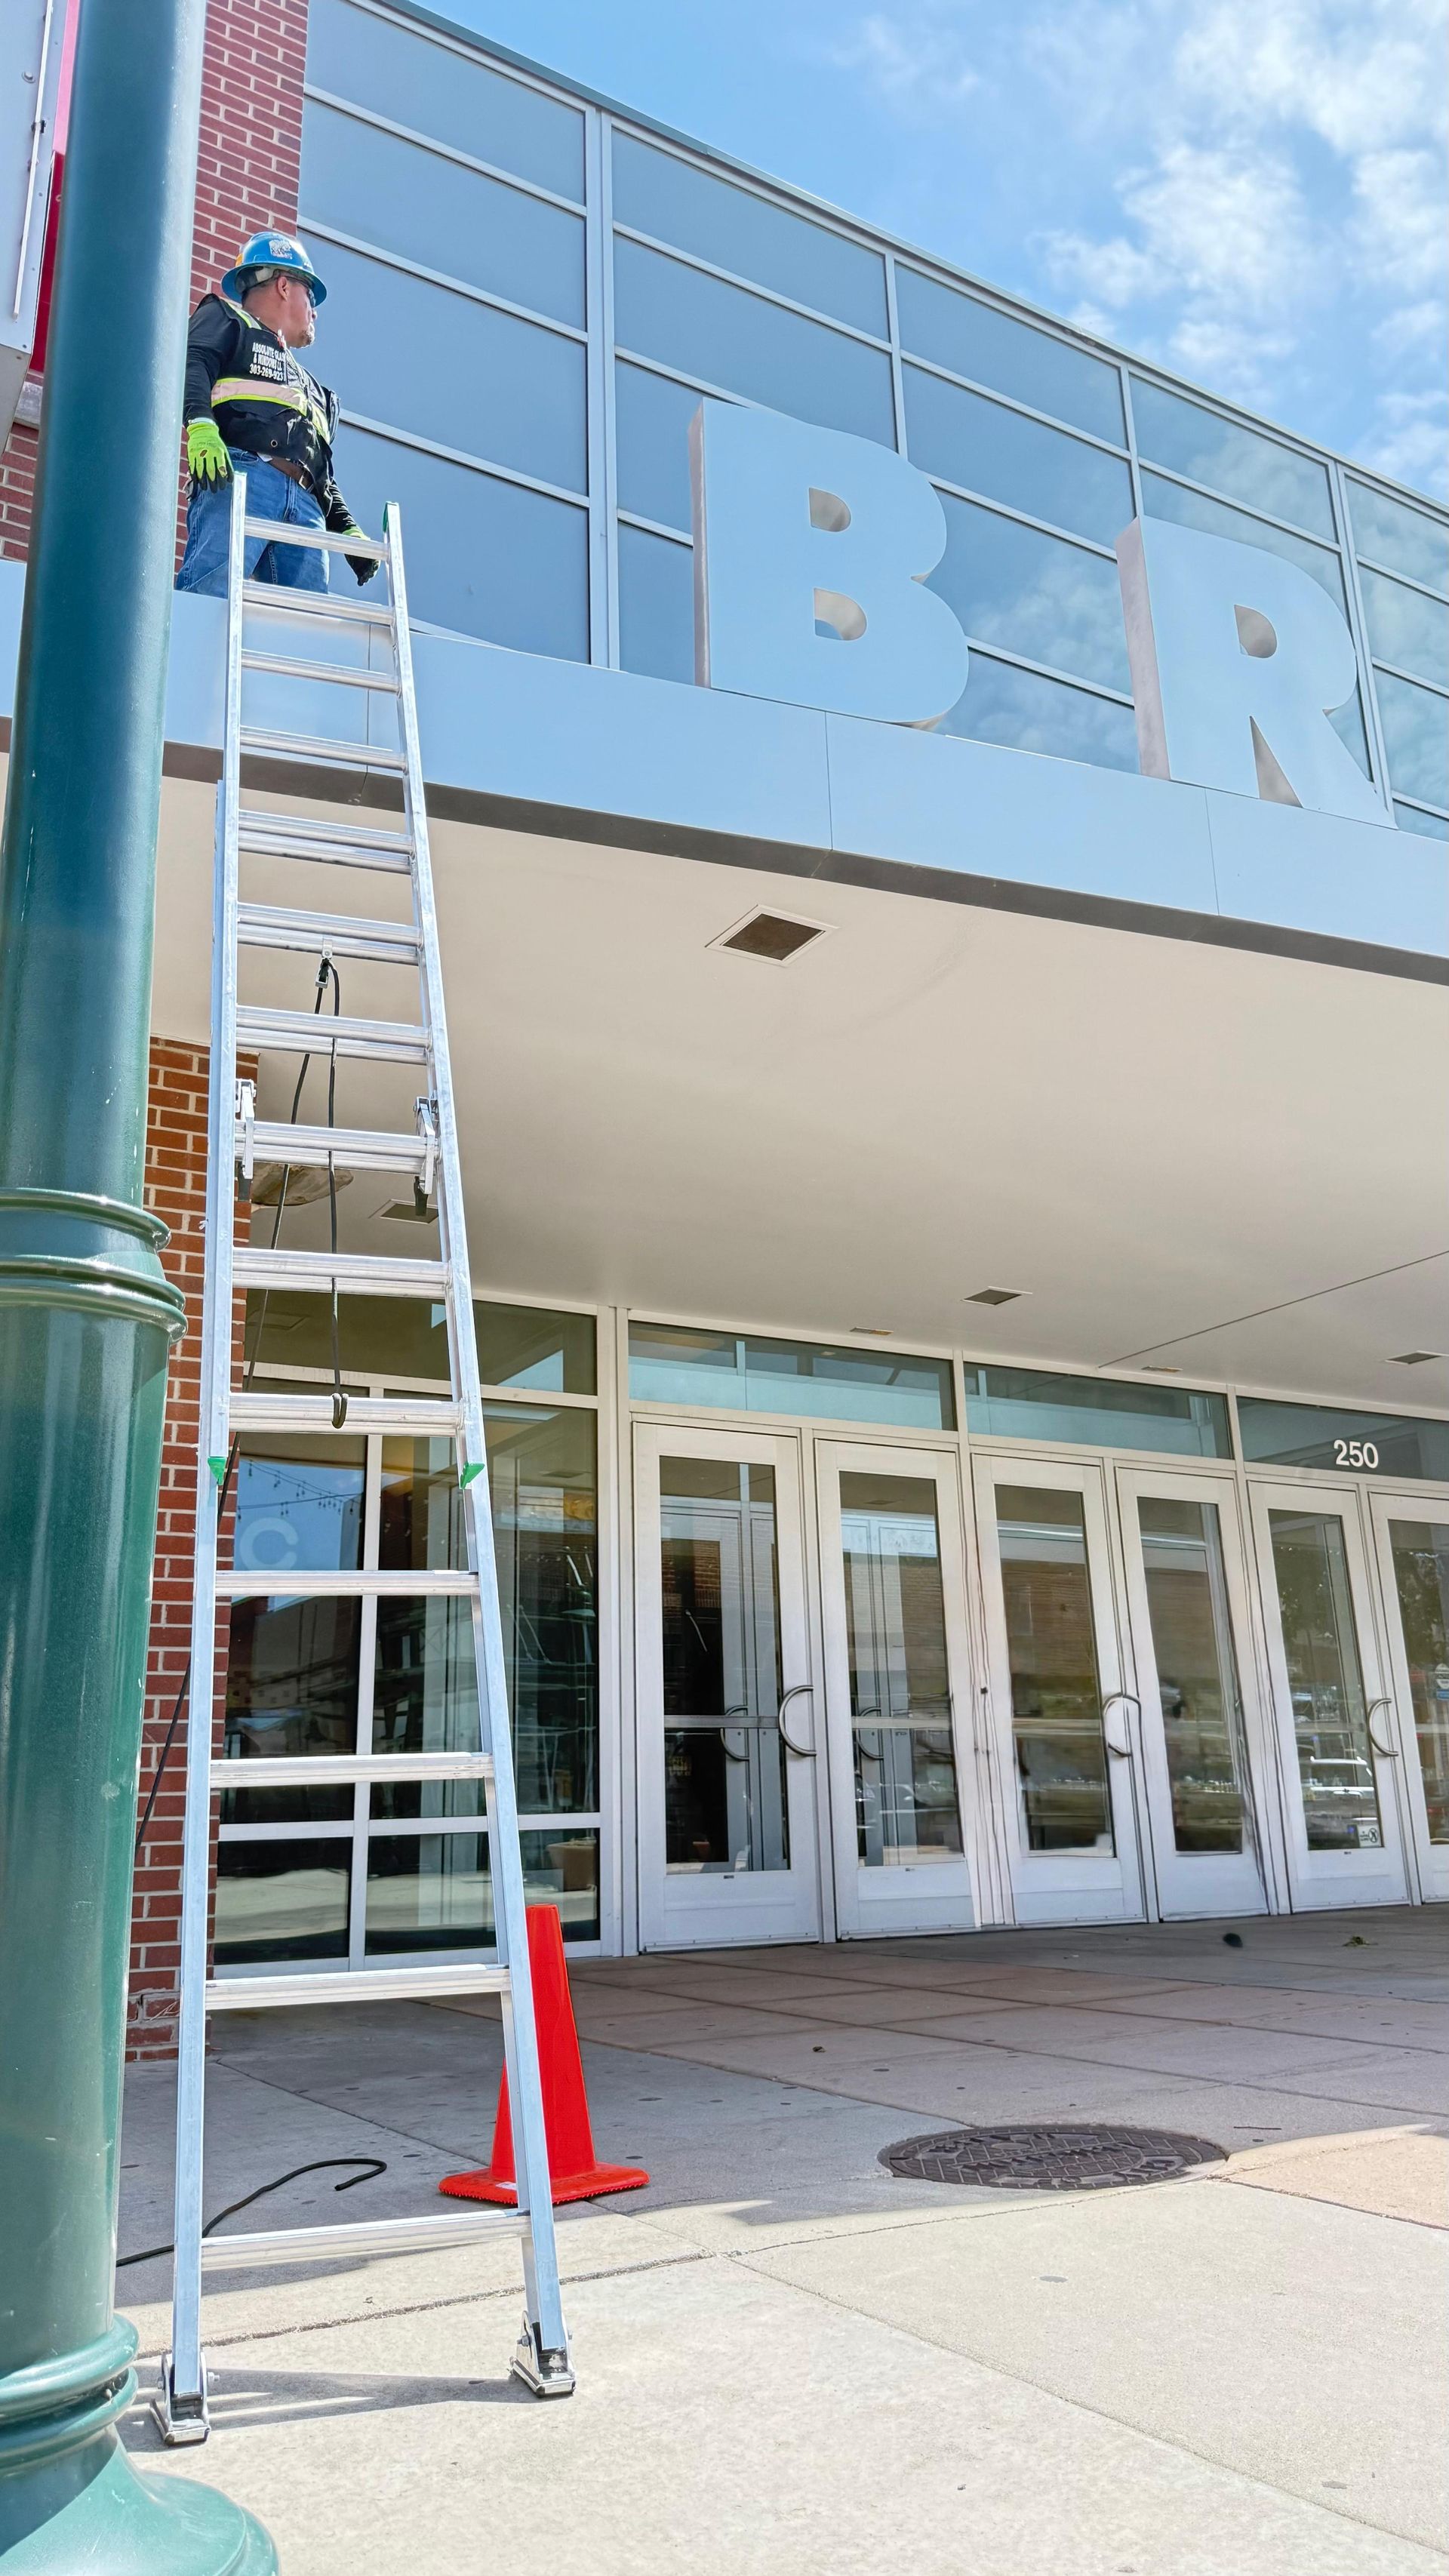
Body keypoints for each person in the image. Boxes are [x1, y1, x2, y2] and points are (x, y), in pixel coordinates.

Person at [176, 232, 377, 595]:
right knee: (213, 593)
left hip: (308, 505)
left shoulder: (314, 390)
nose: (314, 311)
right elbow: (194, 363)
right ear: (284, 286)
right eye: (310, 295)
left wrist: (345, 526)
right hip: (241, 477)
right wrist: (202, 427)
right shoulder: (228, 319)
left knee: (304, 619)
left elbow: (320, 466)